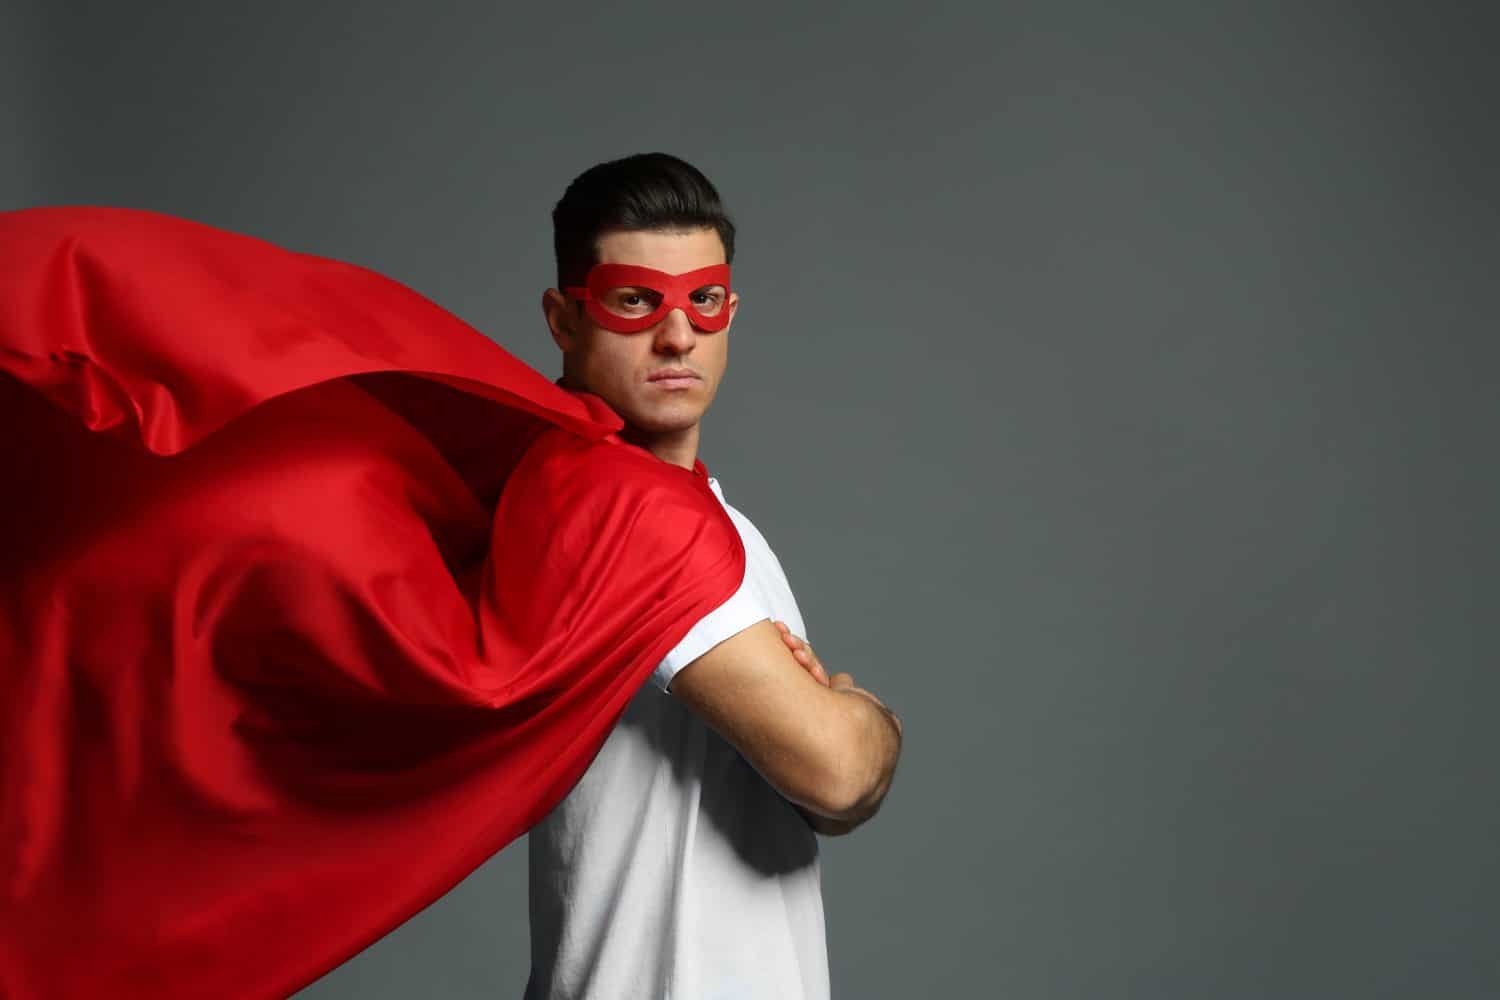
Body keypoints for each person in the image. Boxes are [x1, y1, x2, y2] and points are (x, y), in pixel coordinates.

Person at [524, 153, 904, 1000]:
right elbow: (837, 774)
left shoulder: (709, 522)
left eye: (702, 301)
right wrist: (864, 716)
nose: (676, 335)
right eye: (634, 301)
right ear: (563, 318)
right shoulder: (624, 513)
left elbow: (818, 797)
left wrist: (828, 746)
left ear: (731, 312)